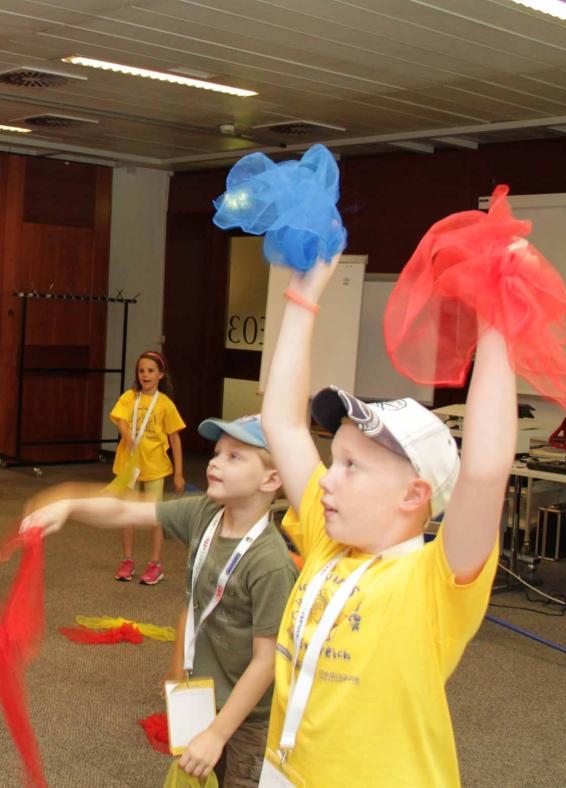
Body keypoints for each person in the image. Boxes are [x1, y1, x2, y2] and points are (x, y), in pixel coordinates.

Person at [258, 256, 516, 786]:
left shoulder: (432, 582)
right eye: (334, 459)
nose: (326, 479)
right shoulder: (330, 543)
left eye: (352, 467)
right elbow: (281, 422)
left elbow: (486, 471)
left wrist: (494, 327)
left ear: (414, 494)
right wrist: (303, 298)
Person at [21, 414, 299, 787]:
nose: (215, 462)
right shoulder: (205, 514)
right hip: (204, 694)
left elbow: (267, 662)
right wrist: (69, 505)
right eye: (218, 453)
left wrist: (218, 733)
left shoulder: (270, 564)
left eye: (235, 457)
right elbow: (125, 509)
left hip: (250, 717)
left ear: (271, 479)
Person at [110, 350, 185, 585]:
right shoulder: (129, 397)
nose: (145, 375)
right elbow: (120, 419)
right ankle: (127, 560)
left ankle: (155, 564)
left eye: (151, 371)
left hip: (155, 467)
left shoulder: (165, 404)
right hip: (128, 466)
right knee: (127, 514)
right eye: (141, 370)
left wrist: (179, 474)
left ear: (161, 375)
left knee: (155, 517)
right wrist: (125, 434)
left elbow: (175, 439)